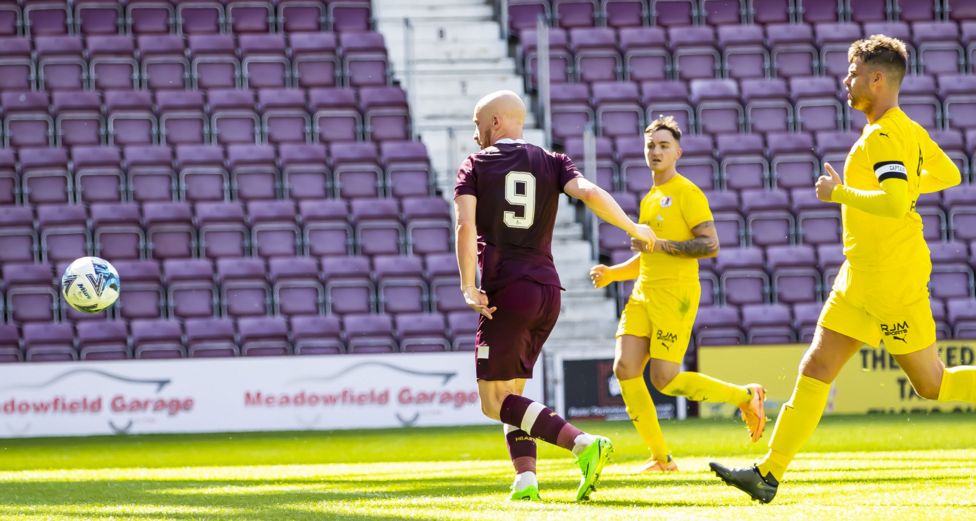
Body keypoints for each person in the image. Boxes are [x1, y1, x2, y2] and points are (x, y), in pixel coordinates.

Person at [710, 34, 975, 504]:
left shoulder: (885, 135)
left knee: (931, 385)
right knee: (816, 367)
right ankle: (768, 474)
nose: (845, 80)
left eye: (853, 73)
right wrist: (910, 186)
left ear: (877, 78)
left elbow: (895, 204)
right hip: (859, 276)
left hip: (893, 279)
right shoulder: (905, 129)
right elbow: (949, 174)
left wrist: (840, 194)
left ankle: (769, 472)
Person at [454, 90, 656, 502]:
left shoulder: (475, 163)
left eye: (478, 126)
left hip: (506, 292)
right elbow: (590, 193)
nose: (476, 137)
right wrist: (634, 228)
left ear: (494, 123)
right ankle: (525, 481)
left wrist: (467, 285)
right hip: (548, 290)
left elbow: (464, 225)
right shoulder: (552, 159)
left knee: (494, 403)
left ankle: (583, 444)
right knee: (513, 394)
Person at [588, 116, 767, 474]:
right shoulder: (651, 197)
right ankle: (661, 458)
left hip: (675, 296)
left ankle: (747, 397)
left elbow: (710, 245)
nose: (656, 151)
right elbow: (648, 254)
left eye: (663, 146)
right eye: (651, 145)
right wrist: (613, 274)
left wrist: (662, 244)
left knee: (664, 380)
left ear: (678, 152)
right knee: (625, 368)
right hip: (643, 293)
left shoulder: (687, 192)